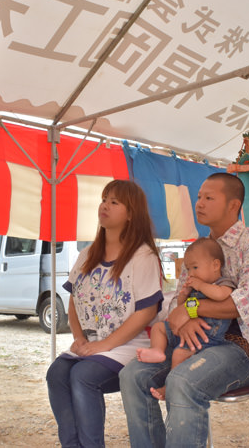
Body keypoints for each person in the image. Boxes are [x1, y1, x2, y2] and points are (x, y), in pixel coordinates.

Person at [120, 172, 249, 448]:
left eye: (209, 197)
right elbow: (176, 306)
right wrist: (184, 319)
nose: (199, 203)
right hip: (192, 341)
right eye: (199, 197)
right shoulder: (198, 248)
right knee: (132, 376)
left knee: (183, 381)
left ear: (233, 206)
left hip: (241, 348)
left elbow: (241, 303)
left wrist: (192, 310)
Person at [46, 179, 163, 448]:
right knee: (56, 374)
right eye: (104, 198)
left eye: (114, 202)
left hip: (130, 345)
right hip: (93, 346)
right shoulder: (87, 254)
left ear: (131, 213)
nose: (105, 205)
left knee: (82, 376)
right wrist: (80, 339)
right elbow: (74, 301)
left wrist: (103, 345)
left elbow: (146, 312)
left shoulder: (143, 256)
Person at [136, 237, 235, 400]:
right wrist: (184, 295)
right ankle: (157, 351)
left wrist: (200, 287)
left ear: (216, 265)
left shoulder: (223, 283)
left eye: (195, 267)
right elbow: (180, 307)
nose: (191, 274)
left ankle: (169, 386)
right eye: (188, 269)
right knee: (158, 328)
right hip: (185, 329)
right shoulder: (194, 285)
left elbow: (221, 295)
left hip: (206, 336)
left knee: (178, 355)